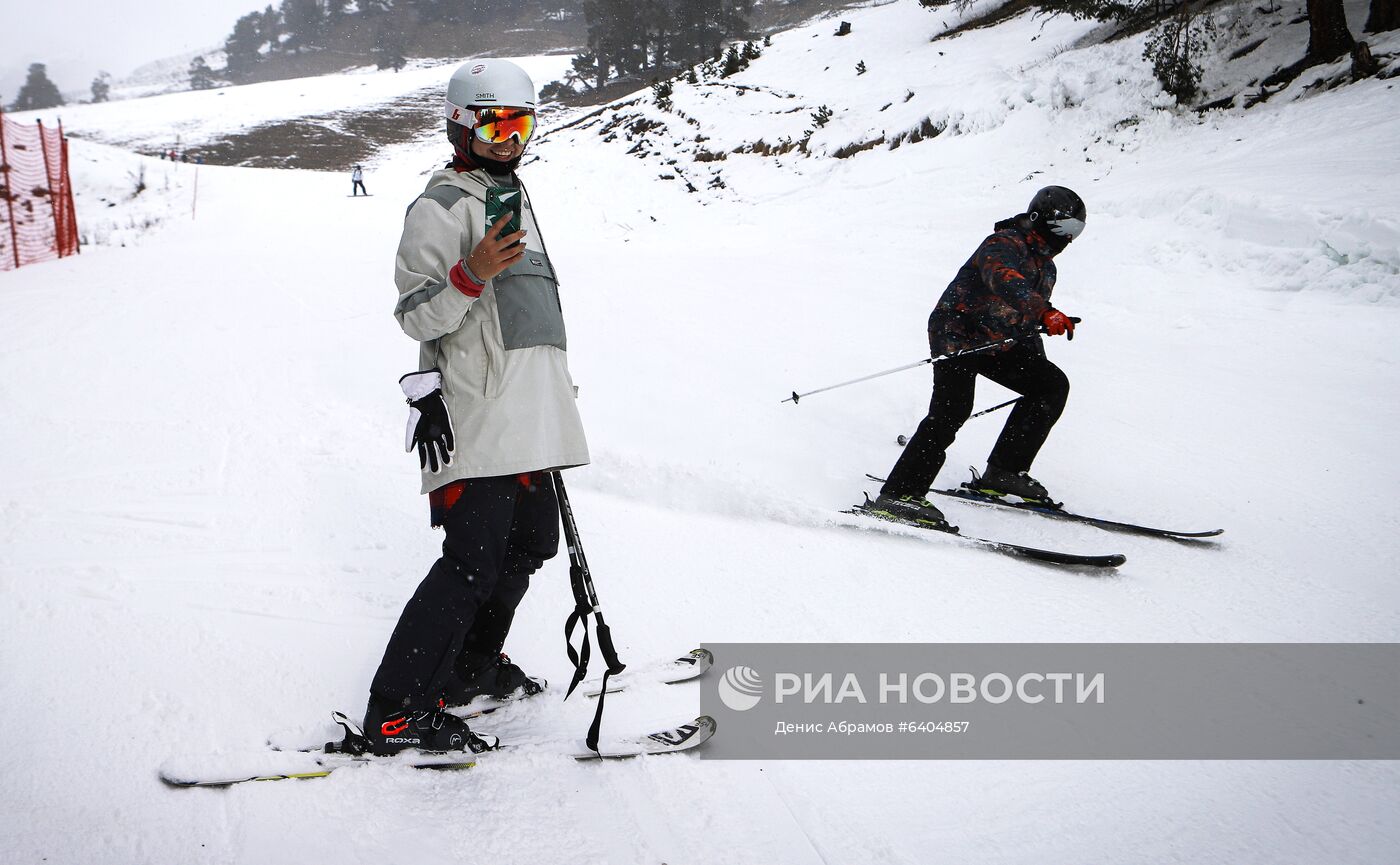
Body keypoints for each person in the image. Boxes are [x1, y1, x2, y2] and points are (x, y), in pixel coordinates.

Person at [361, 59, 589, 756]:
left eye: (519, 124)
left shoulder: (514, 198)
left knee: (528, 548)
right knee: (471, 562)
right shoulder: (441, 204)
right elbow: (417, 315)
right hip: (478, 413)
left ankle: (466, 668)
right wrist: (471, 273)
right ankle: (396, 711)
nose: (507, 139)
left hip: (532, 417)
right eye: (493, 125)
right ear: (461, 125)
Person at [872, 186, 1087, 527]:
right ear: (1039, 219)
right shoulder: (1004, 244)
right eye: (1064, 229)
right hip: (957, 332)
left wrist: (1036, 349)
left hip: (996, 342)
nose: (1068, 239)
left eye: (1075, 232)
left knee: (1050, 385)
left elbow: (1024, 319)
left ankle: (1003, 471)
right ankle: (899, 494)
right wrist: (1044, 311)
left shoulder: (1046, 268)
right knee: (952, 410)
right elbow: (1004, 281)